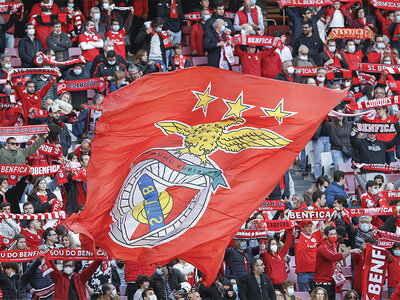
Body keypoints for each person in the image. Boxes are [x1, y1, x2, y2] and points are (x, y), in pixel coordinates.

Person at [313, 226, 362, 300]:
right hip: (322, 282)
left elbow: (335, 258)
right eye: (331, 234)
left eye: (335, 234)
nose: (334, 236)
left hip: (331, 281)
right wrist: (351, 251)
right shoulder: (322, 247)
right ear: (326, 236)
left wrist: (337, 263)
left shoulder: (334, 245)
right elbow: (333, 256)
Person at [294, 221, 323, 291]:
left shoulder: (315, 235)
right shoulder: (298, 237)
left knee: (317, 296)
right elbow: (293, 228)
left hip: (316, 272)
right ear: (302, 228)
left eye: (311, 226)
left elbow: (325, 225)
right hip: (303, 273)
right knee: (304, 296)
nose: (310, 228)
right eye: (307, 226)